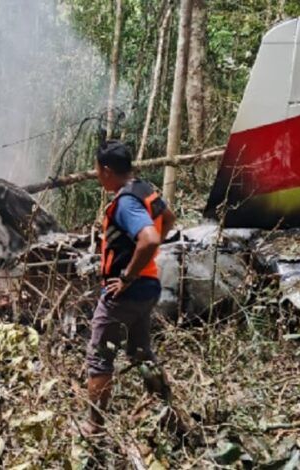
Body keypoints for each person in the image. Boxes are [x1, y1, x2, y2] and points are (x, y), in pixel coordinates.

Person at [82, 140, 176, 436]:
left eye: (97, 169)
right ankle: (168, 408)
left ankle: (93, 427)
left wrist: (126, 276)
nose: (97, 175)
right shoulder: (145, 189)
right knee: (139, 351)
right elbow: (169, 219)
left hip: (126, 292)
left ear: (107, 170)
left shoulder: (125, 202)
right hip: (149, 287)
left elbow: (149, 238)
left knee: (99, 357)